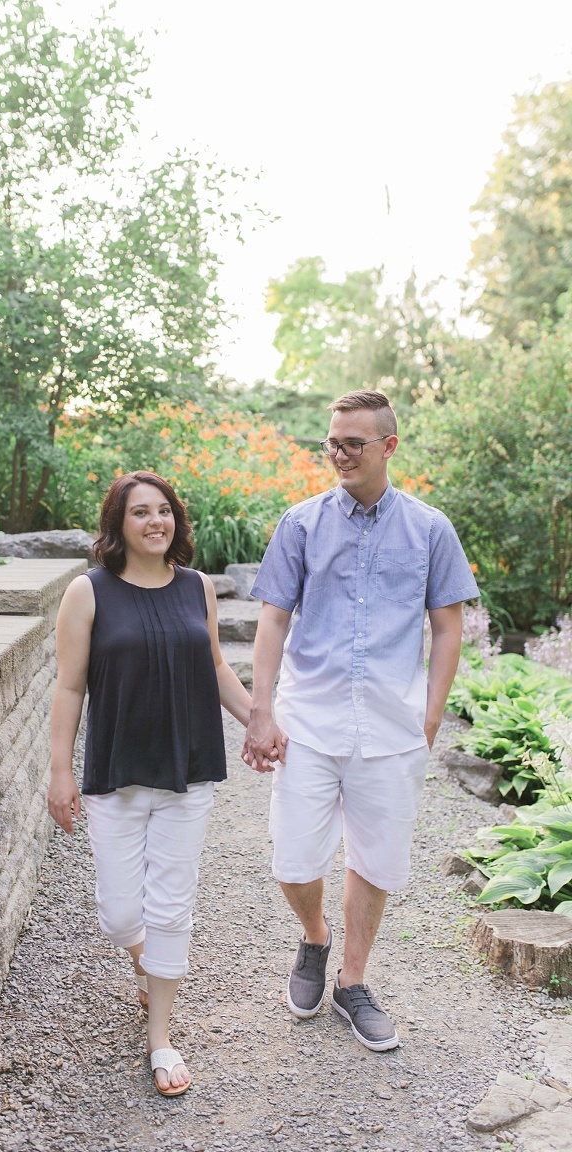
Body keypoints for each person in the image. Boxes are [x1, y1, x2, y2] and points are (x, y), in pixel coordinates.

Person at [243, 390, 478, 1052]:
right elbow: (272, 618)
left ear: (388, 447)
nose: (339, 454)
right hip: (308, 718)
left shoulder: (430, 529)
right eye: (332, 442)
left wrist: (429, 717)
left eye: (353, 443)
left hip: (390, 724)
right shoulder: (301, 523)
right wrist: (261, 709)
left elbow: (448, 624)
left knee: (374, 861)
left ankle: (352, 981)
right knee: (293, 858)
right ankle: (315, 937)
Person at [47, 471, 253, 1096]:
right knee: (119, 914)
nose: (155, 522)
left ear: (176, 521)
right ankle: (148, 966)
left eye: (164, 511)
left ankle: (160, 1039)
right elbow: (69, 686)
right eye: (140, 513)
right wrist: (59, 772)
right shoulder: (89, 592)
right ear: (118, 525)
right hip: (117, 772)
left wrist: (259, 721)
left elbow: (215, 664)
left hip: (187, 771)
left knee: (170, 906)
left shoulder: (196, 588)